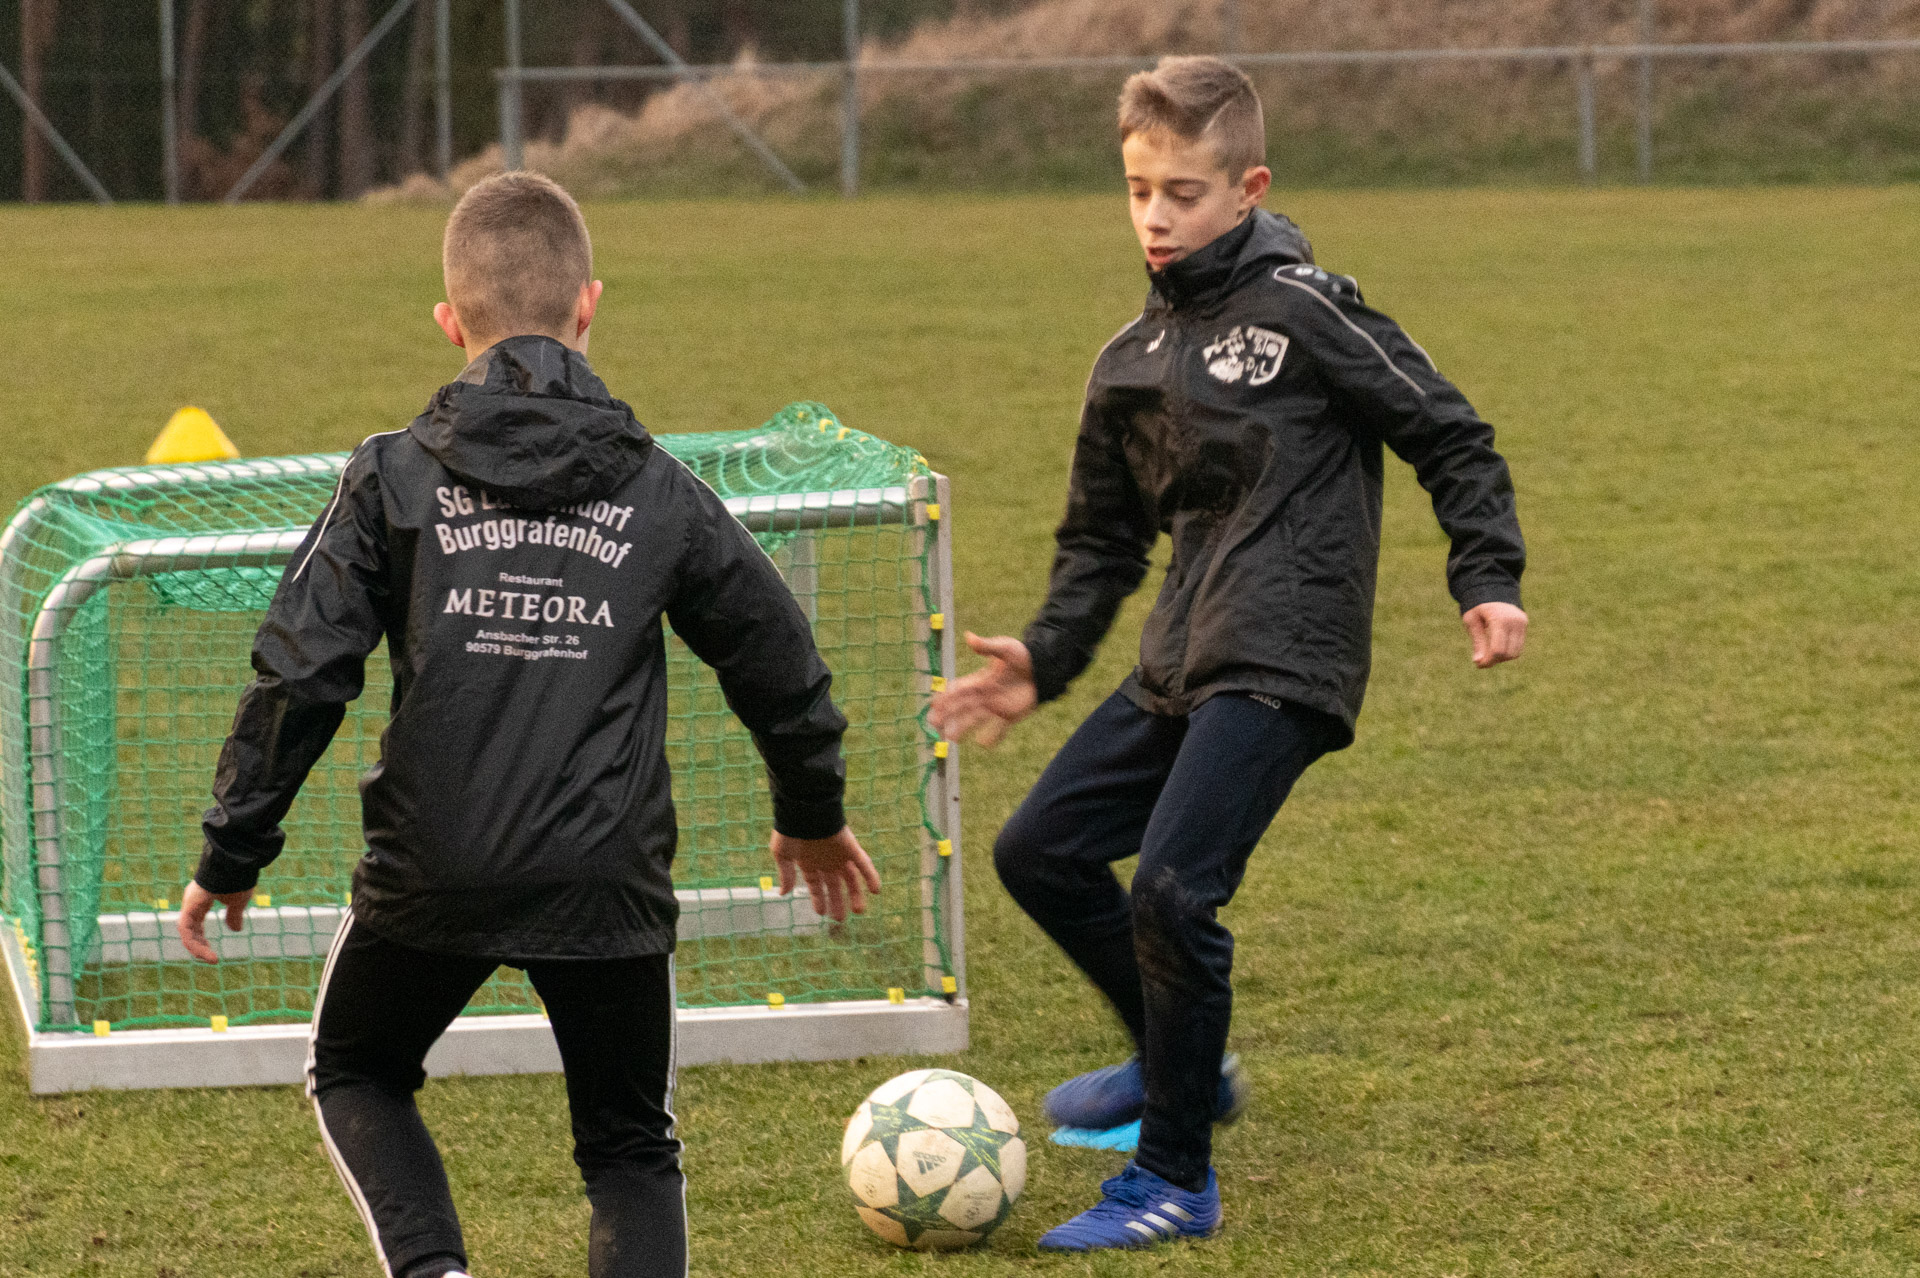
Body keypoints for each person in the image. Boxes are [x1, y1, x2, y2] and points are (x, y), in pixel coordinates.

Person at [175, 172, 881, 1278]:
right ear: (589, 306)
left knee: (356, 1070)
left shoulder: (392, 475)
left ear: (450, 323)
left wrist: (233, 848)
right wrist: (812, 813)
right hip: (604, 870)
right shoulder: (660, 490)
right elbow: (778, 659)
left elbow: (300, 672)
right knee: (629, 1152)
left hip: (436, 863)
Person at [930, 56, 1528, 1252]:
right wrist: (1043, 657)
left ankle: (1173, 1177)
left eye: (1185, 193)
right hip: (1184, 655)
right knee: (1040, 850)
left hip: (1286, 654)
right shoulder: (1130, 357)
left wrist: (1487, 575)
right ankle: (1179, 1065)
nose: (1156, 217)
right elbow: (1102, 542)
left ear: (1248, 190)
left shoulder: (1308, 310)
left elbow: (1450, 433)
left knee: (1172, 888)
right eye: (1139, 190)